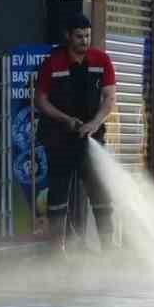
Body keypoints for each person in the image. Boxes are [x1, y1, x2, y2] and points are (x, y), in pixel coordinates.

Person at [34, 13, 117, 247]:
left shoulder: (102, 60)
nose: (84, 40)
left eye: (88, 35)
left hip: (91, 138)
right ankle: (56, 252)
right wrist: (65, 120)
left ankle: (109, 249)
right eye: (79, 36)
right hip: (59, 139)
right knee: (58, 196)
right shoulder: (52, 62)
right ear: (67, 36)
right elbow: (40, 99)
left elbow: (109, 97)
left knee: (101, 194)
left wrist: (94, 124)